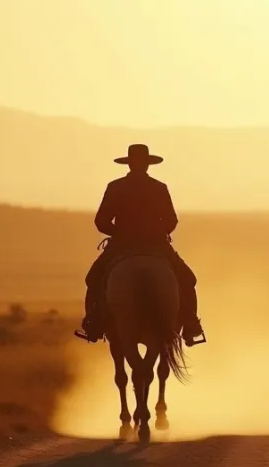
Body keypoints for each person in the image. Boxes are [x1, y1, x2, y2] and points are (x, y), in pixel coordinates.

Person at [74, 144, 206, 346]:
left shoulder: (115, 187)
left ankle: (94, 323)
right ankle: (190, 325)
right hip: (156, 246)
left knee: (93, 279)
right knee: (188, 280)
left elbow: (101, 221)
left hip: (121, 246)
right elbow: (171, 220)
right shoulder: (159, 187)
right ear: (147, 165)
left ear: (129, 164)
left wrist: (120, 232)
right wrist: (156, 232)